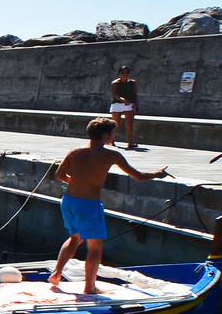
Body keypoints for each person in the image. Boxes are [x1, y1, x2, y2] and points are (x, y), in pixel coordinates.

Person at [50, 117, 169, 294]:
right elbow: (138, 176)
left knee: (74, 238)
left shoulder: (74, 152)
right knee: (95, 247)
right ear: (106, 135)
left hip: (69, 201)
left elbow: (59, 175)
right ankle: (90, 287)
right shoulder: (111, 155)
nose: (114, 136)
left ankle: (57, 273)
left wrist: (78, 182)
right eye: (113, 133)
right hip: (89, 205)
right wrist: (158, 174)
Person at [109, 64, 139, 149]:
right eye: (122, 72)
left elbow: (135, 94)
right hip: (117, 104)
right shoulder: (115, 83)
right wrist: (123, 100)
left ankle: (130, 142)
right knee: (115, 124)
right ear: (119, 73)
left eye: (127, 72)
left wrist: (136, 104)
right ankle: (111, 140)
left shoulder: (133, 83)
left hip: (129, 104)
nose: (125, 74)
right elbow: (114, 95)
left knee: (129, 124)